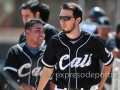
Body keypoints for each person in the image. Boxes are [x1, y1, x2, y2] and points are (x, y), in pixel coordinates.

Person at [38, 2, 114, 90]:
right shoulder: (55, 41)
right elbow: (48, 69)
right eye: (60, 17)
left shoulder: (93, 40)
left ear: (78, 20)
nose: (62, 21)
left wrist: (100, 86)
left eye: (66, 18)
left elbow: (108, 61)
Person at [4, 19, 49, 90]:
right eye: (38, 30)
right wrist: (22, 85)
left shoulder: (47, 52)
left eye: (43, 31)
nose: (42, 34)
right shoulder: (16, 50)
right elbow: (9, 75)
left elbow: (52, 78)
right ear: (27, 32)